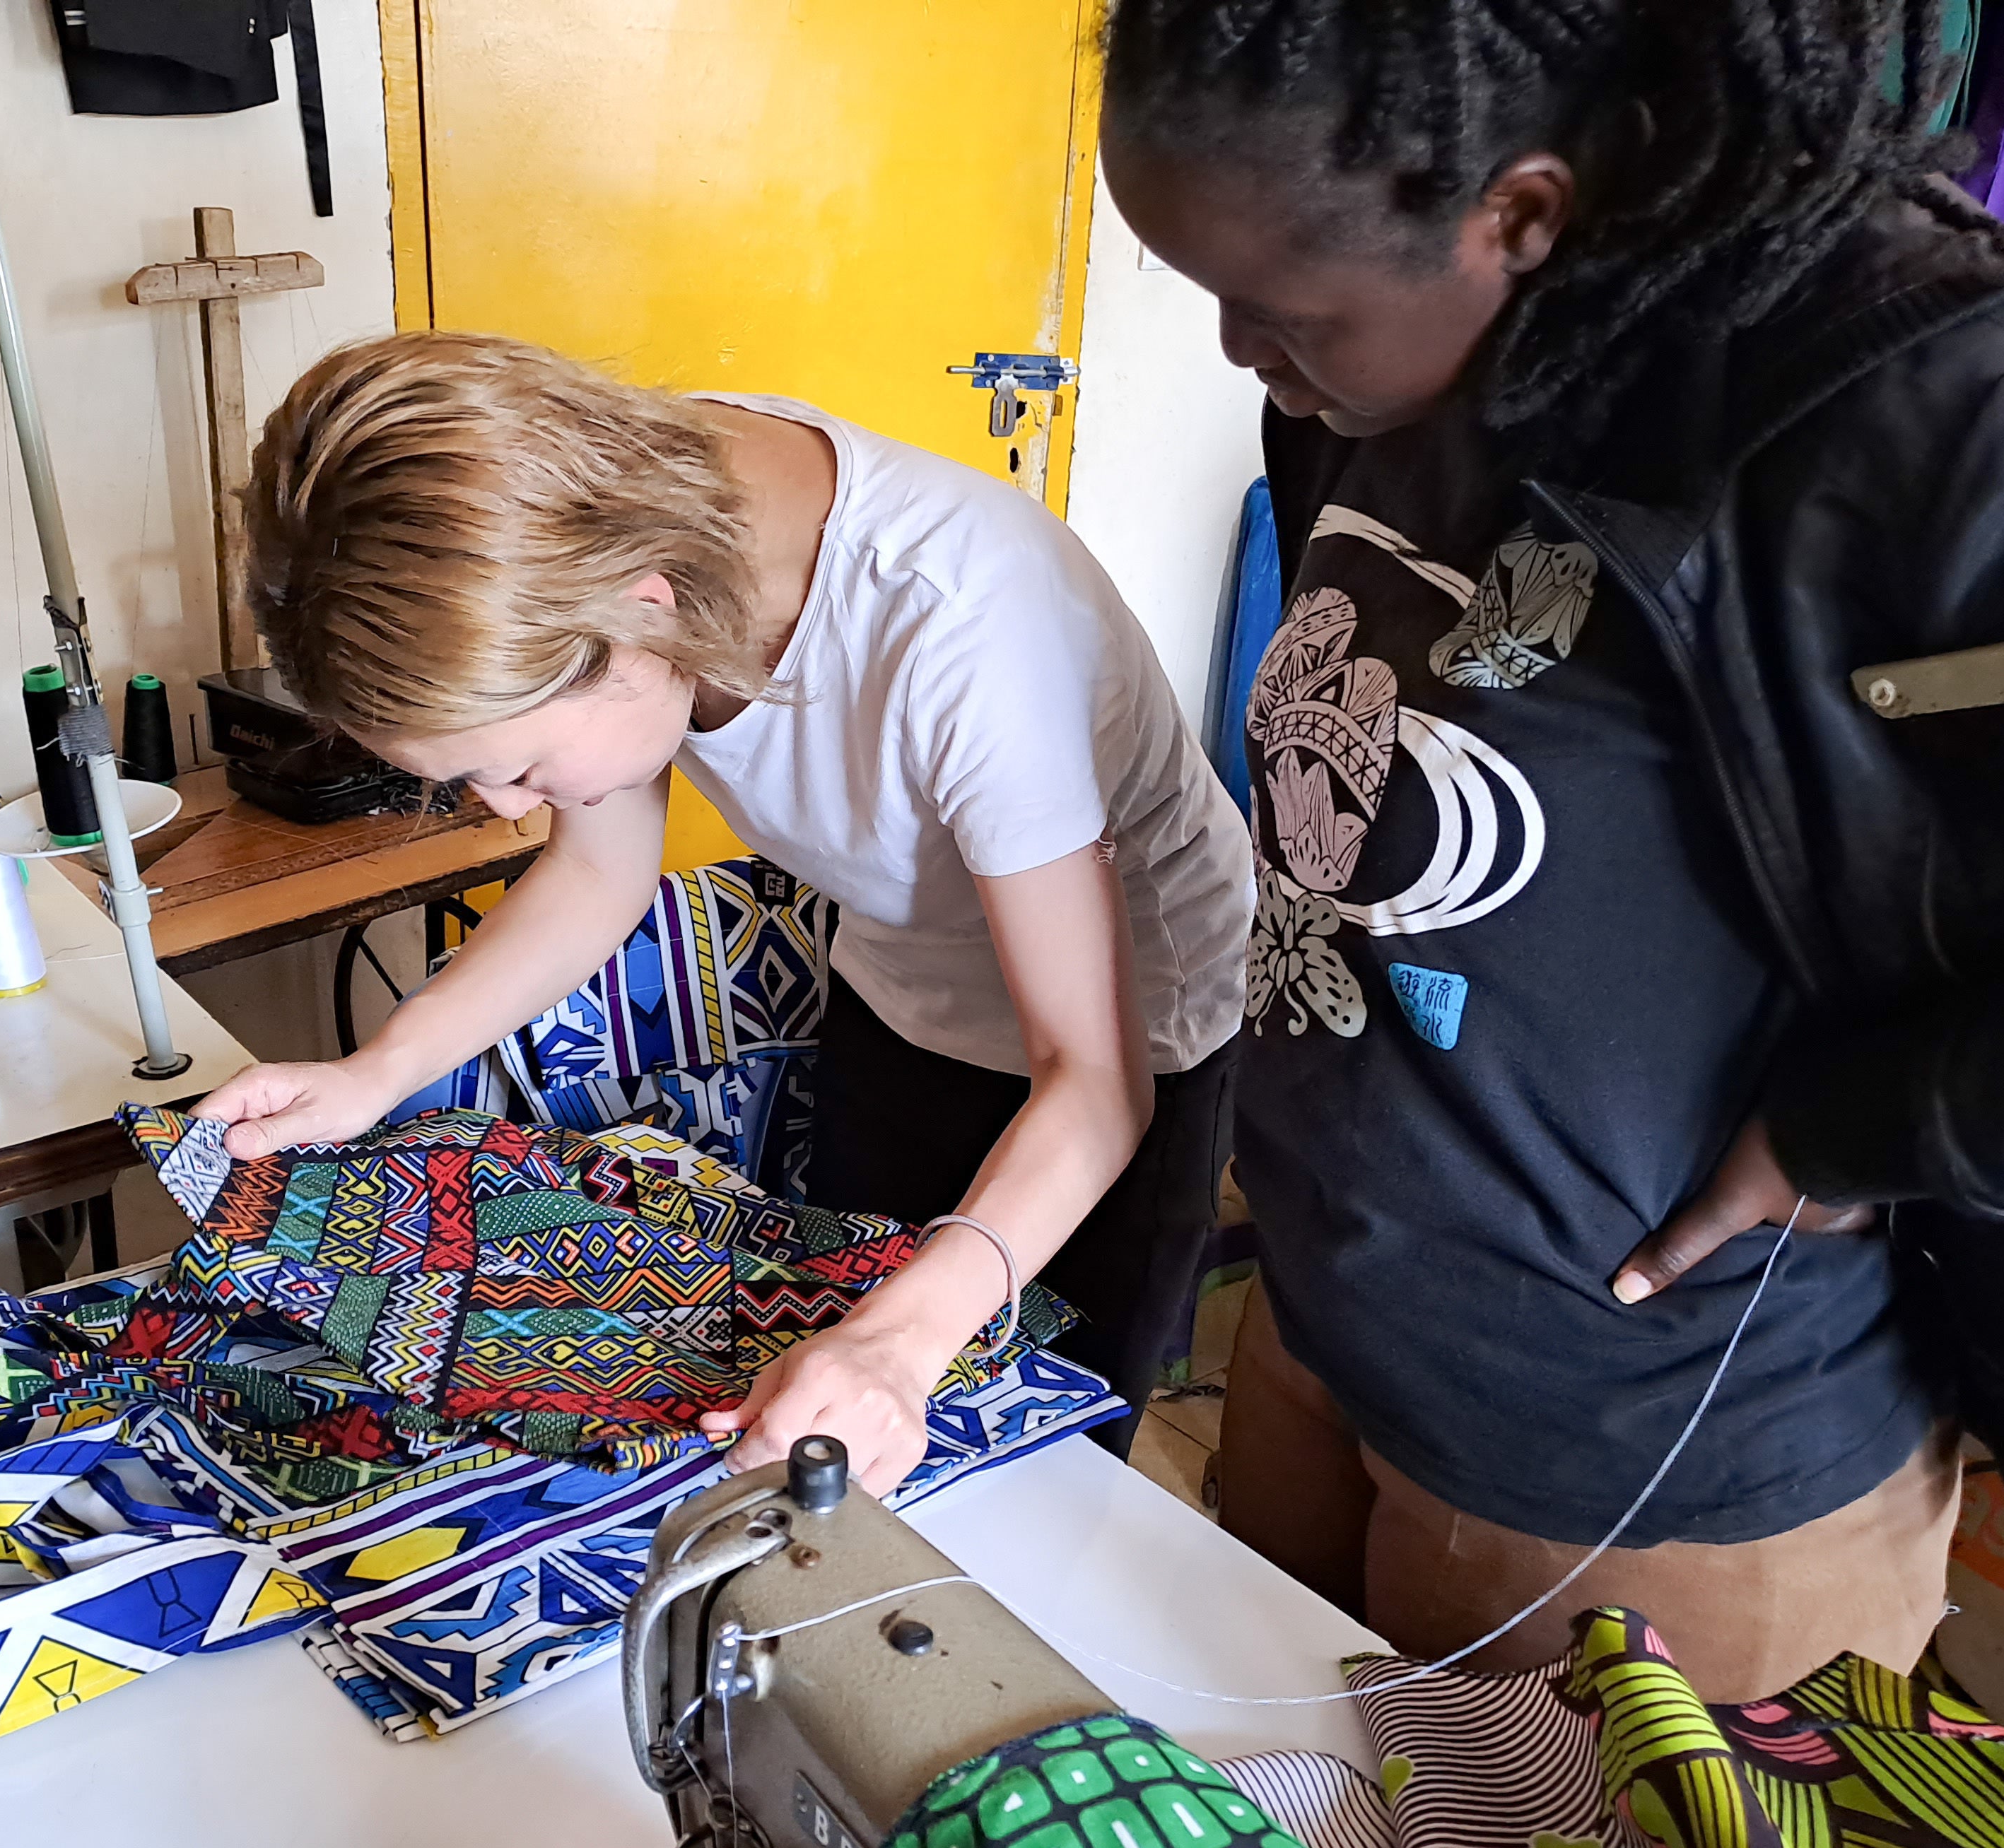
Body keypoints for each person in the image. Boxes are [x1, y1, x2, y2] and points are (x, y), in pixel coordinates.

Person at [1096, 0, 2004, 1705]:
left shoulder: (1954, 428)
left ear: (1517, 209)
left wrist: (1872, 1118)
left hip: (1645, 1485)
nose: (1237, 355)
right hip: (1327, 1334)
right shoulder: (1409, 342)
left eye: (1278, 313)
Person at [193, 334, 1252, 1493]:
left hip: (1130, 1042)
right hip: (904, 985)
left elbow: (1093, 1085)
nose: (505, 808)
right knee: (823, 1417)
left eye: (520, 767)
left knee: (1036, 1471)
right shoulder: (608, 522)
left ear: (642, 617)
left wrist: (902, 1343)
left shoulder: (970, 630)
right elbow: (599, 877)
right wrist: (376, 1073)